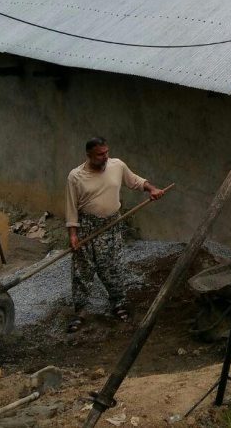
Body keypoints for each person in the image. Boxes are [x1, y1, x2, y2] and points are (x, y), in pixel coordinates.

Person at [65, 136, 166, 332]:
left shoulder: (117, 165)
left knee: (113, 266)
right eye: (100, 155)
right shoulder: (75, 176)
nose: (105, 157)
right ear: (89, 155)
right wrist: (73, 235)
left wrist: (151, 189)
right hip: (87, 227)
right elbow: (71, 207)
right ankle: (80, 312)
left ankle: (118, 304)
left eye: (106, 153)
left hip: (112, 225)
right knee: (82, 271)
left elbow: (135, 181)